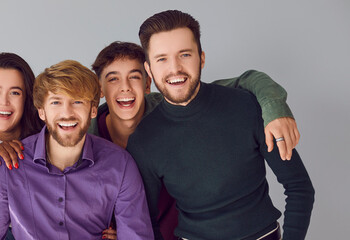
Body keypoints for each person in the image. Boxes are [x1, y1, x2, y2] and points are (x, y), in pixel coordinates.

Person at [127, 10, 314, 239]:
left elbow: (299, 187)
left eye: (184, 55)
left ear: (201, 58)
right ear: (149, 70)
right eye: (162, 59)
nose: (174, 68)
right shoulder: (144, 140)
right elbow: (146, 220)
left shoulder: (246, 106)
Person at [88, 41, 302, 240]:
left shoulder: (175, 102)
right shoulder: (89, 136)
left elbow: (247, 80)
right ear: (100, 89)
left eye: (134, 76)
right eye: (113, 78)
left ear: (147, 83)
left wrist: (276, 110)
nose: (124, 87)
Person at [0, 60, 153, 239]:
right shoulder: (9, 165)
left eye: (78, 102)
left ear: (93, 110)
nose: (67, 113)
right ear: (42, 112)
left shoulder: (120, 164)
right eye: (56, 102)